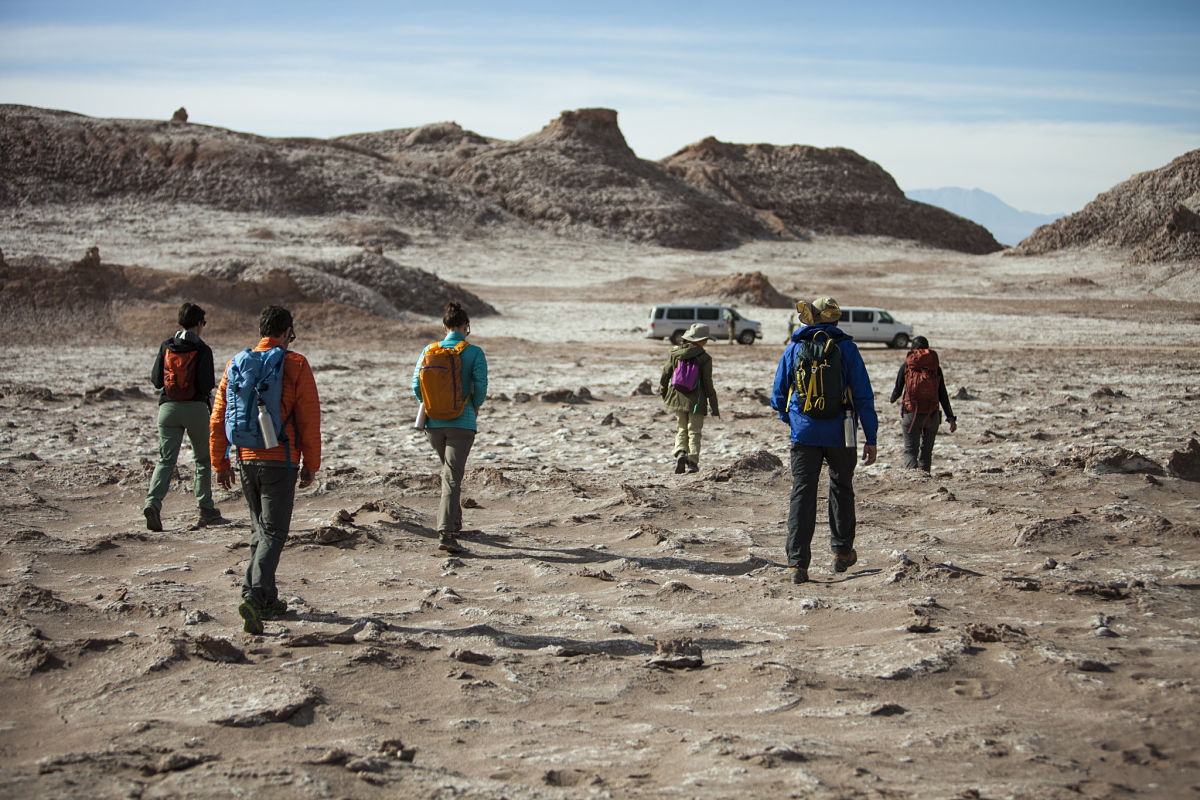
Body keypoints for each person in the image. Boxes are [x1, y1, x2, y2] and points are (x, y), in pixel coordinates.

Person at [210, 305, 321, 634]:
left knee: (259, 529)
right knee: (273, 532)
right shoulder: (295, 364)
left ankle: (265, 596)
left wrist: (221, 461)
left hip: (244, 458)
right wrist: (311, 465)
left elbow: (218, 417)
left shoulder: (236, 364)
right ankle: (256, 596)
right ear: (288, 331)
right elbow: (308, 419)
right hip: (280, 460)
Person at [770, 297, 878, 584]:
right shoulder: (848, 349)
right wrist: (871, 437)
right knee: (842, 486)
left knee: (802, 492)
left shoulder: (793, 348)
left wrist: (792, 420)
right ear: (837, 321)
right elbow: (864, 396)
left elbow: (778, 395)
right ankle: (841, 553)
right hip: (843, 430)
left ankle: (797, 565)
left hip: (804, 432)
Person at [412, 301, 488, 555]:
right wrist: (474, 408)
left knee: (448, 473)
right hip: (462, 423)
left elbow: (415, 386)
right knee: (452, 477)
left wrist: (432, 406)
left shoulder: (428, 350)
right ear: (466, 326)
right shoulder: (474, 352)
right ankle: (446, 533)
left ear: (444, 326)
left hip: (433, 424)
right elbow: (481, 386)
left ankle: (454, 523)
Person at [144, 302, 219, 531]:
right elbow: (207, 385)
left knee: (166, 460)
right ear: (198, 323)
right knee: (202, 461)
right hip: (195, 409)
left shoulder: (166, 346)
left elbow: (157, 380)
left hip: (168, 410)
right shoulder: (203, 349)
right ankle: (205, 508)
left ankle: (153, 503)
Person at [889, 335, 957, 472]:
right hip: (932, 415)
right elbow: (943, 394)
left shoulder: (907, 366)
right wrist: (950, 417)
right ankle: (925, 478)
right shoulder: (935, 368)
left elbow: (897, 390)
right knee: (926, 451)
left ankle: (912, 479)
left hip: (912, 413)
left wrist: (892, 398)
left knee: (910, 451)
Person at [659, 322, 719, 474]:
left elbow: (665, 375)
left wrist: (664, 393)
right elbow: (707, 383)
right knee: (694, 431)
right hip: (696, 401)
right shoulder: (705, 358)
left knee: (681, 428)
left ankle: (681, 453)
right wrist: (714, 405)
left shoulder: (675, 354)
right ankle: (692, 462)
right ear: (702, 340)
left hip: (677, 398)